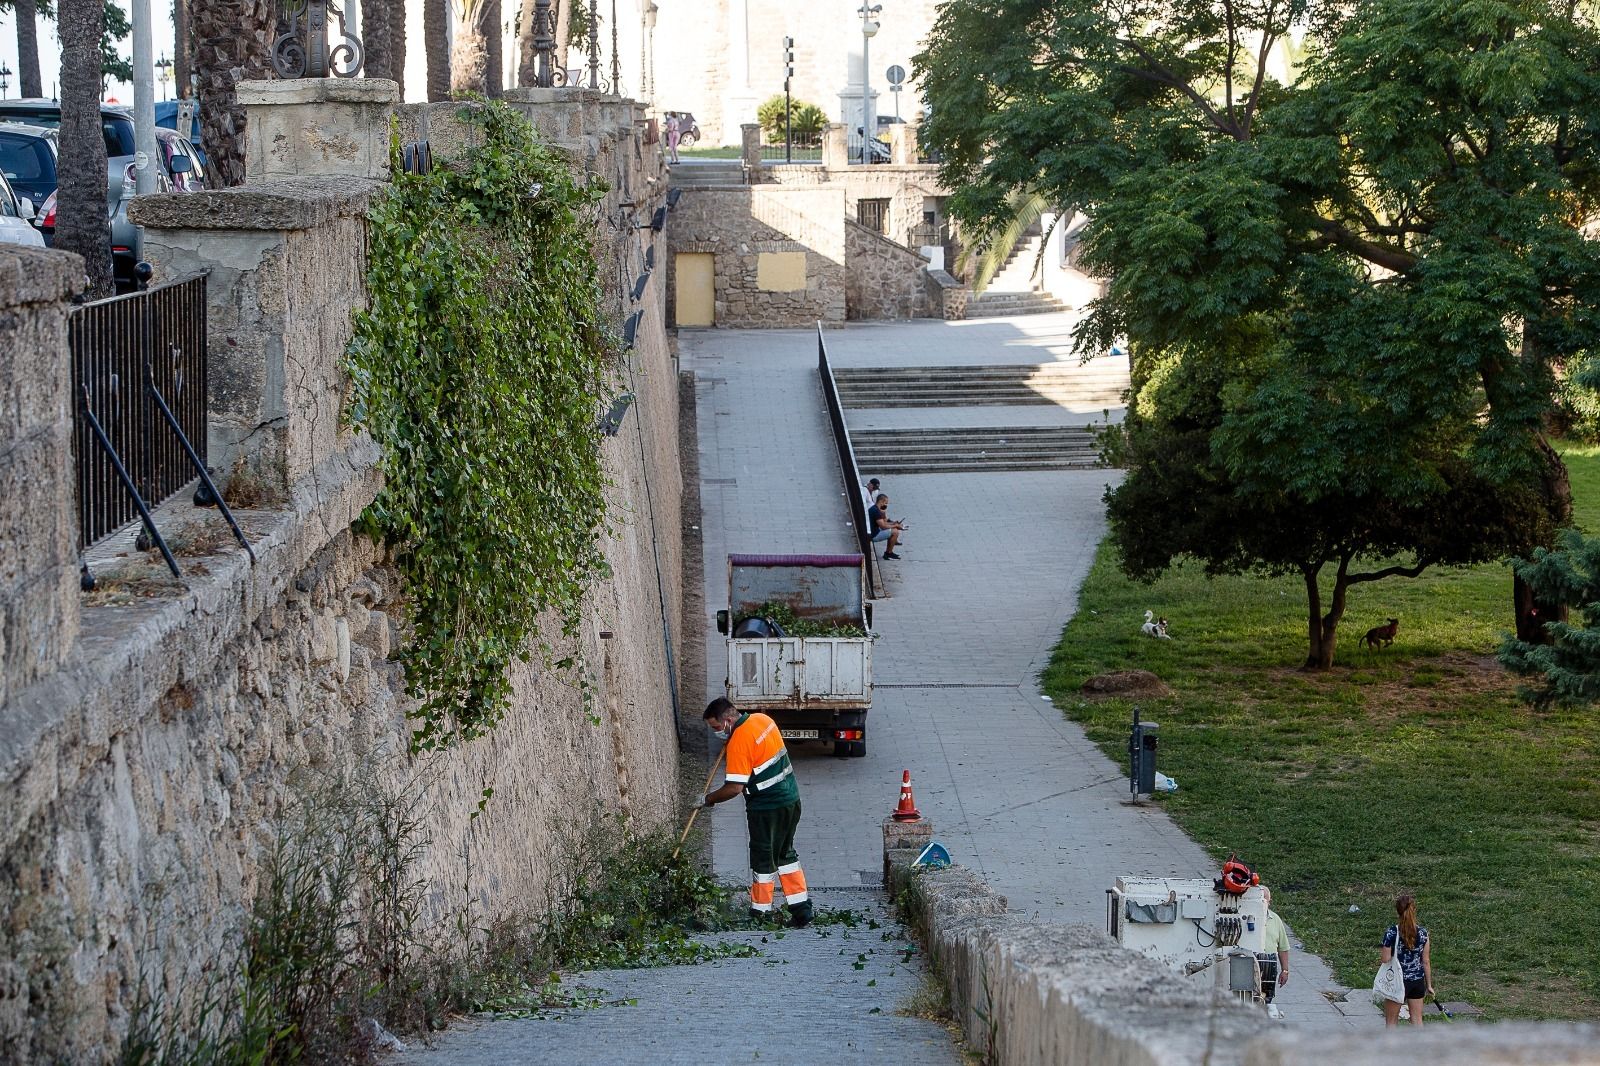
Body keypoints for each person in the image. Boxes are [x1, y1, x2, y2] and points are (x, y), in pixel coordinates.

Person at [701, 698, 813, 928]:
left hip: (766, 808)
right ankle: (802, 909)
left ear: (728, 721)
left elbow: (734, 787)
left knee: (763, 857)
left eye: (716, 727)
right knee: (785, 854)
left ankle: (760, 914)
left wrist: (708, 799)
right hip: (791, 799)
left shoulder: (739, 741)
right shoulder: (763, 719)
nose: (716, 733)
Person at [1380, 894, 1433, 1027]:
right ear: (1414, 910)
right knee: (1417, 1020)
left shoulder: (1391, 932)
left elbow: (1385, 959)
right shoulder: (1423, 933)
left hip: (1396, 982)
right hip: (1417, 981)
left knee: (1391, 1022)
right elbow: (1425, 961)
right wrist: (1429, 985)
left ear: (1397, 910)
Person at [1258, 887, 1290, 1019]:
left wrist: (1285, 970)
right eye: (1262, 901)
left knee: (1266, 999)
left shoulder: (1275, 919)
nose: (1265, 904)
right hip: (1248, 966)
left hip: (1268, 968)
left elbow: (1283, 947)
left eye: (1267, 901)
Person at [867, 492, 904, 560]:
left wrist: (893, 524)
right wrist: (895, 526)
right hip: (874, 535)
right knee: (895, 532)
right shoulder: (876, 512)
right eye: (885, 503)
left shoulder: (874, 508)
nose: (886, 505)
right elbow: (883, 526)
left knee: (894, 529)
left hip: (874, 530)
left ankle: (889, 552)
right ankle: (888, 553)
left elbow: (883, 522)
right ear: (881, 501)